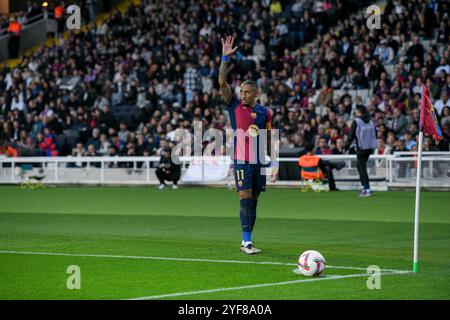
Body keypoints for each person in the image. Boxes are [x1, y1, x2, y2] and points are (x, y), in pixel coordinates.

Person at [219, 36, 278, 255]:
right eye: (241, 91)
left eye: (246, 92)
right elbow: (222, 82)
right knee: (244, 196)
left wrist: (274, 162)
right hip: (241, 159)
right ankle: (246, 242)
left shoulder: (265, 112)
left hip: (259, 161)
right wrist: (225, 57)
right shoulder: (233, 105)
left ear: (255, 94)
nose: (241, 94)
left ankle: (249, 240)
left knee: (254, 200)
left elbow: (269, 137)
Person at [345, 105, 377, 197]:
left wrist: (346, 146)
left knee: (362, 168)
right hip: (369, 147)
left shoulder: (356, 121)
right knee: (360, 166)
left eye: (356, 111)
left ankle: (367, 189)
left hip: (361, 147)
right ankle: (364, 187)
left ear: (359, 112)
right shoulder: (370, 121)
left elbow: (351, 135)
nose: (355, 112)